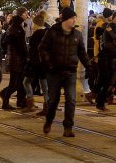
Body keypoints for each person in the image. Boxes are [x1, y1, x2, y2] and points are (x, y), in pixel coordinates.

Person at [38, 7, 90, 138]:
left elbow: (82, 53)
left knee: (71, 100)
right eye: (72, 18)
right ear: (66, 19)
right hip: (54, 72)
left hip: (70, 72)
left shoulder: (77, 34)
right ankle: (49, 121)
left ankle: (68, 127)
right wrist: (48, 64)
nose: (74, 20)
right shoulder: (52, 32)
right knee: (53, 100)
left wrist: (89, 67)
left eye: (75, 18)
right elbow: (42, 48)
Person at [1, 9, 29, 110]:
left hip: (12, 58)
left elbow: (4, 43)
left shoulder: (10, 29)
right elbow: (21, 46)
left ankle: (18, 101)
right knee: (15, 83)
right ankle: (5, 101)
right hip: (17, 59)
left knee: (17, 81)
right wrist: (26, 56)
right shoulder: (18, 30)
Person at [22, 11, 48, 113]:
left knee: (26, 82)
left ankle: (30, 102)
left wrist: (30, 61)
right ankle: (47, 105)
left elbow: (33, 50)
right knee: (44, 85)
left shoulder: (36, 34)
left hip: (35, 63)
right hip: (44, 63)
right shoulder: (47, 32)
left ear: (35, 24)